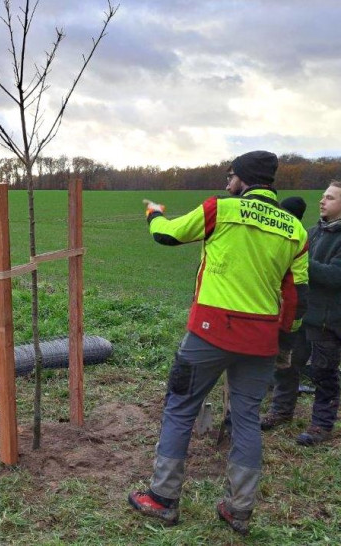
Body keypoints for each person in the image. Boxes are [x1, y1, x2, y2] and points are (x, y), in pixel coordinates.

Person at [127, 151, 309, 535]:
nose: (227, 184)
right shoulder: (295, 230)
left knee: (180, 407)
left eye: (230, 177)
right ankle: (239, 509)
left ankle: (162, 498)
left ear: (242, 179)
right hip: (261, 342)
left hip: (210, 332)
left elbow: (166, 234)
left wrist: (153, 211)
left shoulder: (221, 209)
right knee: (246, 420)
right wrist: (284, 343)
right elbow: (295, 298)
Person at [262, 181, 341, 446]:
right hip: (301, 315)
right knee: (286, 366)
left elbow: (334, 277)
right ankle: (281, 412)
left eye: (329, 198)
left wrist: (300, 258)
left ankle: (321, 425)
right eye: (323, 196)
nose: (322, 201)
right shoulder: (312, 232)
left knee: (323, 373)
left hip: (327, 322)